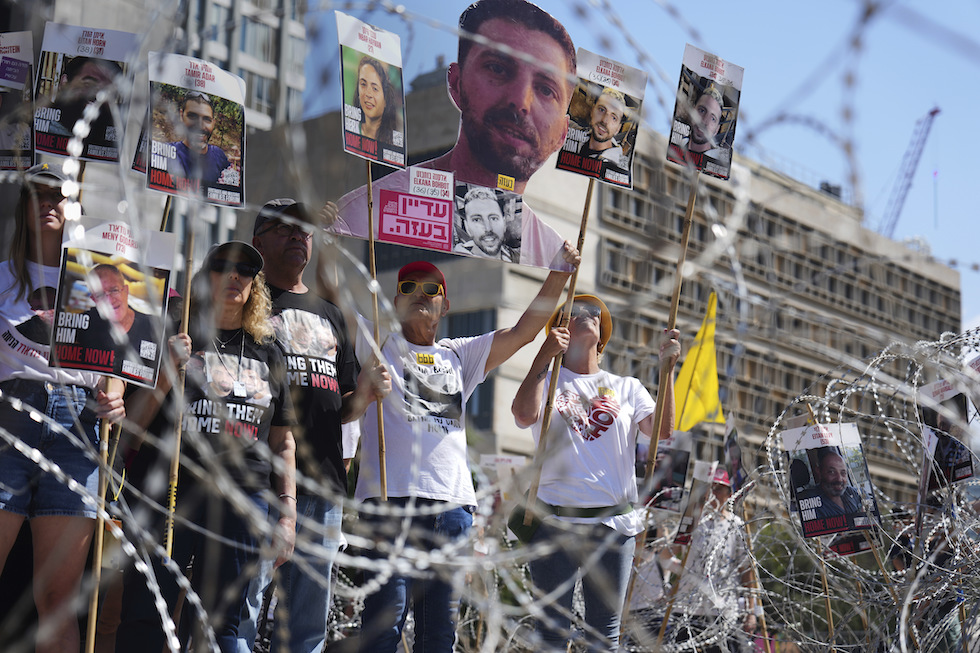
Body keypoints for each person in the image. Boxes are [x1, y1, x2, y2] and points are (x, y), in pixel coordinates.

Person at [354, 244, 579, 653]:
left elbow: (524, 331)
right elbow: (329, 293)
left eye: (431, 289)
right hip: (389, 506)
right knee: (382, 629)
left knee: (439, 635)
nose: (421, 293)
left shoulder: (460, 355)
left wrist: (560, 273)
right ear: (395, 301)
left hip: (452, 511)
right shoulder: (376, 343)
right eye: (409, 287)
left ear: (445, 305)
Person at [115, 241, 297, 653]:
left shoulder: (269, 352)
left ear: (255, 285)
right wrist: (165, 375)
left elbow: (283, 439)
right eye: (224, 266)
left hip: (242, 499)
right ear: (204, 277)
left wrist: (286, 515)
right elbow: (131, 426)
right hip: (171, 491)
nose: (236, 276)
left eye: (246, 270)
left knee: (221, 625)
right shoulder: (173, 336)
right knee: (147, 610)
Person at [241, 198, 389, 653]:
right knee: (243, 611)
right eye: (284, 229)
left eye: (304, 232)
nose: (297, 238)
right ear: (258, 240)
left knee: (307, 625)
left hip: (324, 484)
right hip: (261, 480)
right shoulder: (245, 303)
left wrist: (365, 393)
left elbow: (343, 407)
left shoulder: (331, 315)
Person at [334, 0, 577, 270]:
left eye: (546, 89)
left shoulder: (555, 256)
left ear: (562, 134)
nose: (521, 101)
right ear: (456, 84)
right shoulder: (361, 212)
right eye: (497, 69)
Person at [0, 162, 125, 653]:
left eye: (60, 195)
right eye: (38, 194)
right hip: (10, 417)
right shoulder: (3, 276)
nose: (49, 203)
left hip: (77, 427)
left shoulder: (104, 279)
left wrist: (115, 390)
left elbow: (119, 357)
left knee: (58, 598)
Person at [511, 294, 680, 650]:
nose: (585, 315)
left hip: (613, 527)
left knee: (605, 637)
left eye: (593, 313)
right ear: (558, 330)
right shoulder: (549, 380)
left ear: (601, 334)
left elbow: (662, 430)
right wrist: (543, 355)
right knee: (552, 634)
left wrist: (668, 370)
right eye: (573, 313)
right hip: (554, 521)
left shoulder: (628, 387)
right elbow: (524, 415)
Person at [663, 468, 759, 653]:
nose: (713, 493)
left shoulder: (736, 526)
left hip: (722, 609)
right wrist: (681, 573)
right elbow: (665, 556)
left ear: (729, 494)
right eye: (710, 488)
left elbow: (747, 572)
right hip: (687, 608)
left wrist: (751, 612)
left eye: (718, 489)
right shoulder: (692, 522)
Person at [76, 263, 160, 382]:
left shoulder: (155, 327)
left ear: (126, 291)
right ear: (94, 300)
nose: (109, 300)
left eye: (114, 290)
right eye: (100, 295)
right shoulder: (82, 325)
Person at [41, 56, 121, 148]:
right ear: (64, 82)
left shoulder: (117, 141)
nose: (98, 96)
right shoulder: (40, 128)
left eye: (108, 92)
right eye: (88, 85)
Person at [167, 90, 231, 186]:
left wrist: (237, 167)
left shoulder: (219, 155)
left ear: (213, 123)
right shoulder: (167, 153)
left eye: (207, 119)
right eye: (192, 116)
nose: (200, 126)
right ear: (181, 116)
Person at [453, 186, 516, 261]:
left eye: (493, 218)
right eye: (477, 220)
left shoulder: (516, 258)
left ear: (504, 223)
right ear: (467, 227)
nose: (488, 228)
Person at [575, 87, 629, 169]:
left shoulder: (618, 165)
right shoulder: (578, 135)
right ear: (592, 111)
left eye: (614, 118)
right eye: (602, 110)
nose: (604, 120)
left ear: (618, 128)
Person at [353, 56, 399, 145]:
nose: (368, 94)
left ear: (386, 99)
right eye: (363, 84)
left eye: (375, 88)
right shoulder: (352, 132)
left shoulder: (393, 140)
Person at [809, 447, 862, 521]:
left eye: (843, 473)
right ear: (819, 471)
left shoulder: (851, 492)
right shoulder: (810, 503)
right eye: (832, 472)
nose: (839, 479)